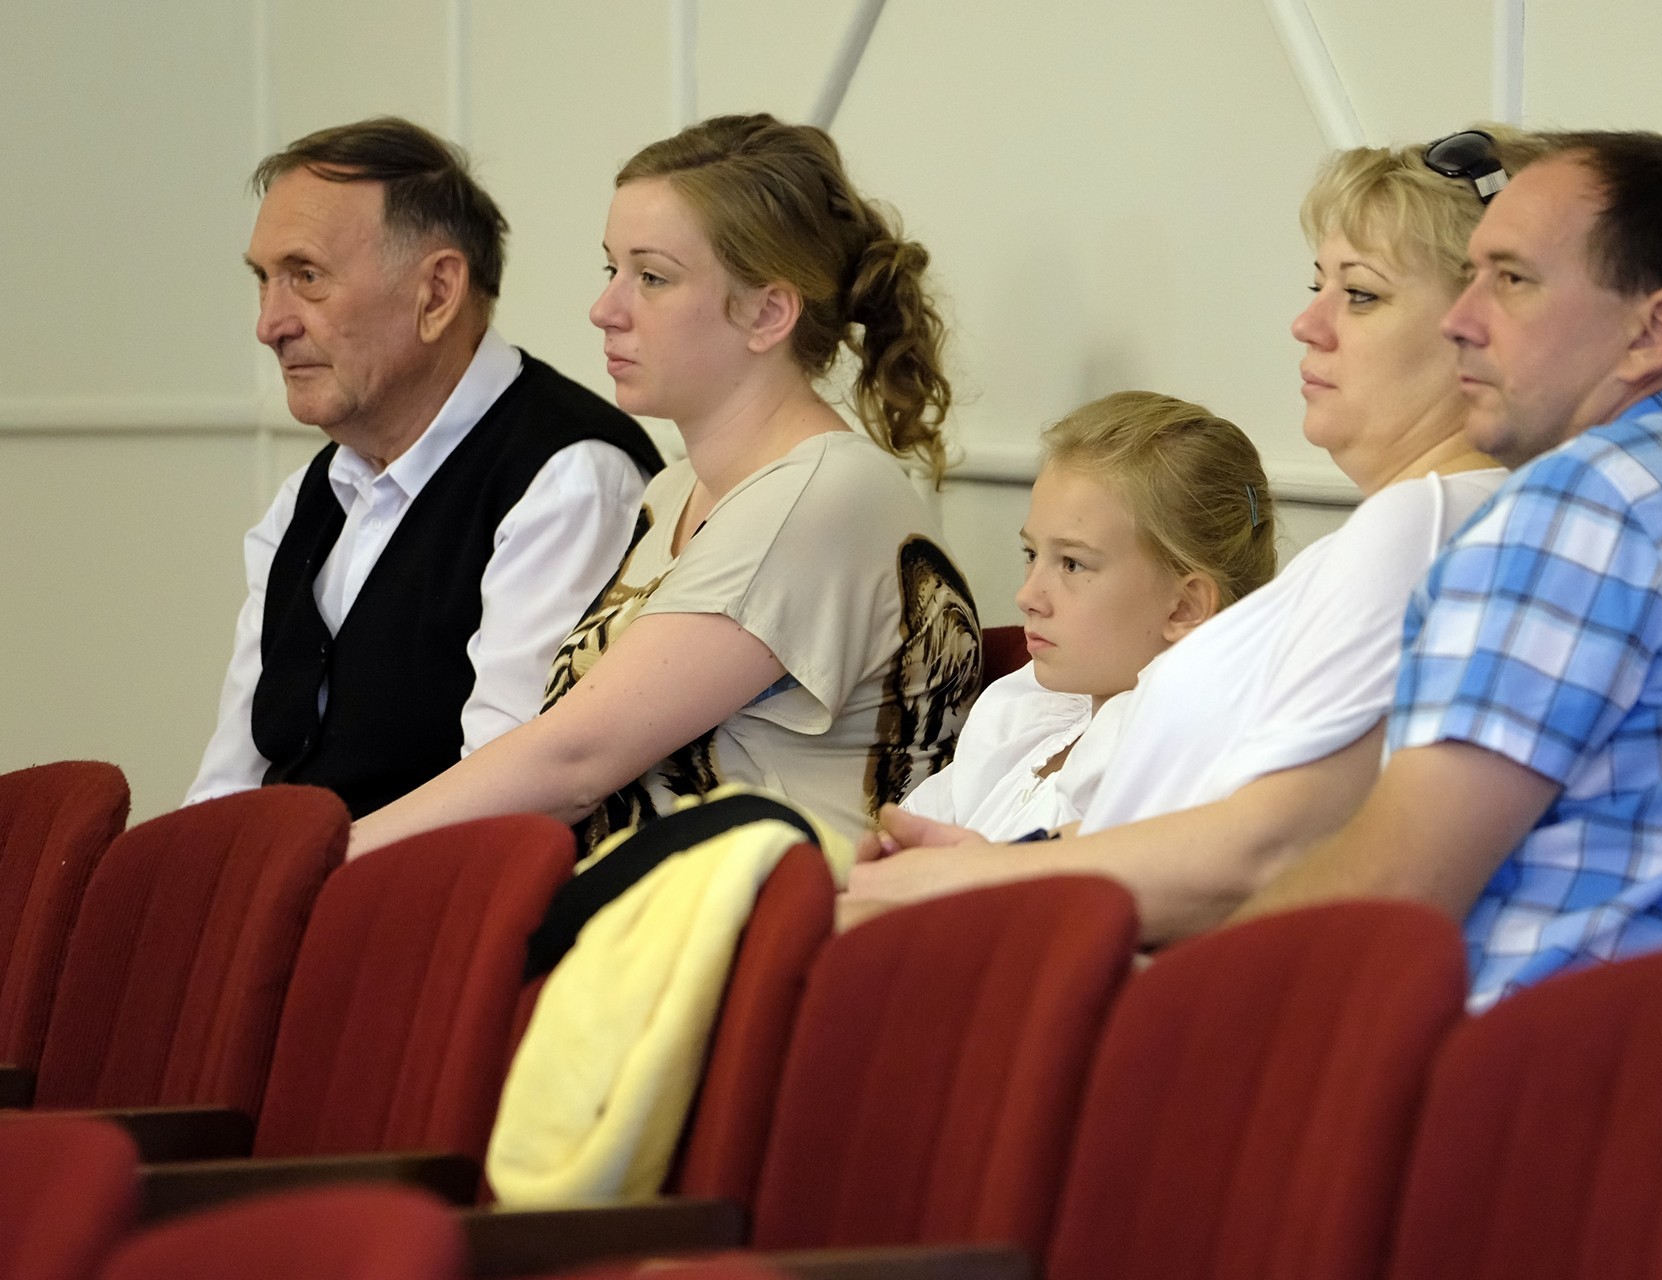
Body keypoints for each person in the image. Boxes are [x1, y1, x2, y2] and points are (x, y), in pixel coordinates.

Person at [1230, 130, 1662, 1009]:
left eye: (1511, 280)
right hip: (1646, 1067)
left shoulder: (1586, 511)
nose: (1461, 320)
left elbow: (1390, 888)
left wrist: (1169, 996)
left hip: (1475, 1062)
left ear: (1652, 332)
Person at [845, 132, 1531, 940]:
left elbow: (1269, 853)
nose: (1306, 323)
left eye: (1361, 295)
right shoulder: (1425, 522)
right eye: (1317, 285)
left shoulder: (1426, 522)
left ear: (1480, 326)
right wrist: (1007, 858)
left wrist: (982, 877)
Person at [348, 113, 979, 857]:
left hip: (763, 917)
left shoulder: (820, 497)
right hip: (639, 902)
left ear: (768, 312)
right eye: (611, 270)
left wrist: (331, 859)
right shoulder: (673, 491)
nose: (605, 311)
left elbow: (573, 762)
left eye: (651, 277)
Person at [188, 117, 662, 819]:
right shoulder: (305, 501)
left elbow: (509, 808)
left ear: (437, 293)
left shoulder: (568, 479)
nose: (270, 325)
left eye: (306, 277)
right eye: (264, 280)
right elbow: (229, 783)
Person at [888, 391, 1276, 842]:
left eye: (1072, 564)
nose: (1027, 596)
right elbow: (911, 833)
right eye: (1031, 554)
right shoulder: (1029, 710)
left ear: (1184, 607)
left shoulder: (1160, 768)